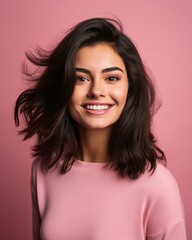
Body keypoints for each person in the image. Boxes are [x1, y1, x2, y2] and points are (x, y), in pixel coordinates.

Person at [14, 18, 186, 240]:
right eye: (81, 78)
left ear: (129, 89)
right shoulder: (44, 169)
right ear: (63, 87)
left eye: (111, 78)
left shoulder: (158, 185)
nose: (97, 91)